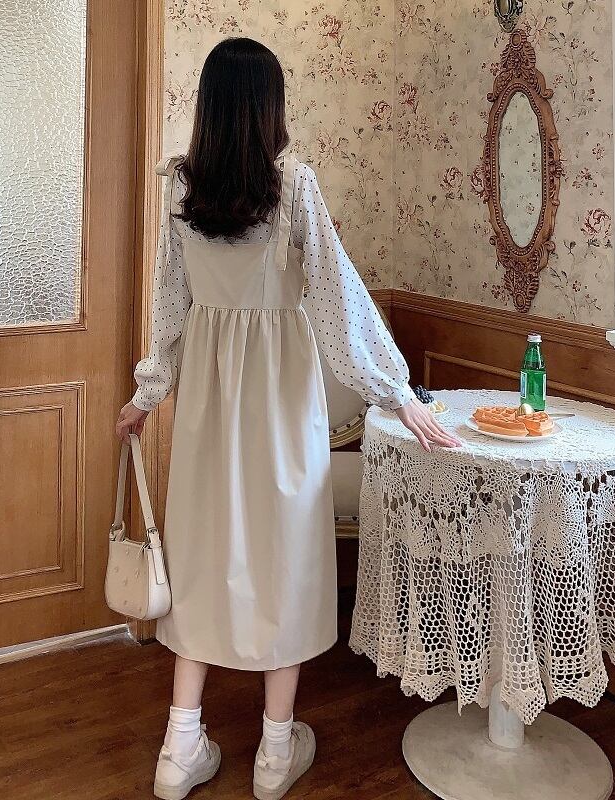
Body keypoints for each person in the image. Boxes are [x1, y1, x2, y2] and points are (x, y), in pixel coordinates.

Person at [115, 37, 460, 800]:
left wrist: (148, 393)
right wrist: (398, 392)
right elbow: (338, 299)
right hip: (278, 400)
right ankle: (275, 752)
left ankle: (179, 747)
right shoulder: (293, 184)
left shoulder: (181, 187)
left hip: (208, 407)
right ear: (269, 108)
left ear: (208, 108)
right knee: (287, 557)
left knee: (201, 554)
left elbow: (169, 305)